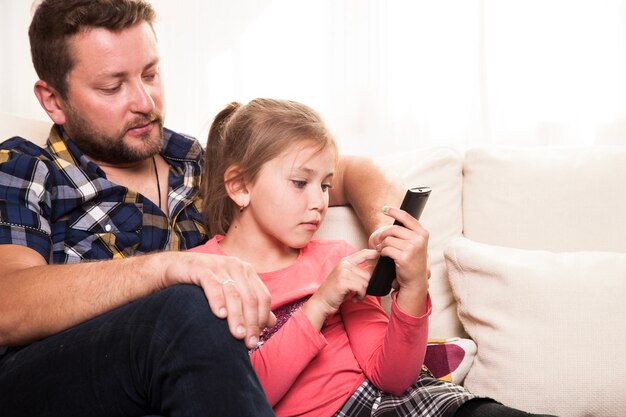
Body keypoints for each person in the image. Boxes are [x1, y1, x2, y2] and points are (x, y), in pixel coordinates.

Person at [0, 1, 402, 416]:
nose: (144, 101)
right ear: (53, 100)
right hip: (57, 381)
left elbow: (350, 172)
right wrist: (167, 269)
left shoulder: (193, 163)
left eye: (151, 74)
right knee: (188, 303)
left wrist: (390, 236)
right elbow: (6, 304)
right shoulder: (25, 168)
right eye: (112, 87)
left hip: (188, 384)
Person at [190, 98, 558, 417]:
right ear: (239, 186)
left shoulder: (337, 258)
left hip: (393, 403)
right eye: (300, 183)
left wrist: (412, 288)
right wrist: (319, 305)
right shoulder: (201, 273)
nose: (319, 202)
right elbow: (242, 395)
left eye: (325, 185)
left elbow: (393, 377)